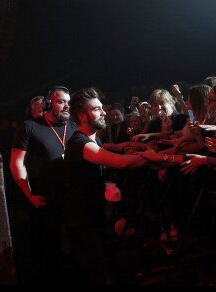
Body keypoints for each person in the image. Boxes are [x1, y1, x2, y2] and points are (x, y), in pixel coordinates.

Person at [62, 87, 148, 286]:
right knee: (98, 272)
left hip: (93, 215)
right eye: (97, 109)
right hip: (81, 220)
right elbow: (122, 162)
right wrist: (154, 157)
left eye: (102, 108)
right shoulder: (81, 143)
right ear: (82, 116)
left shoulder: (96, 139)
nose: (104, 112)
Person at [10, 85, 77, 284]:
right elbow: (16, 164)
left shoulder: (72, 126)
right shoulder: (30, 127)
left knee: (73, 250)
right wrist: (29, 194)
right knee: (48, 253)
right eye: (61, 101)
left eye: (68, 102)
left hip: (72, 200)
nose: (66, 106)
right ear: (49, 103)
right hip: (45, 202)